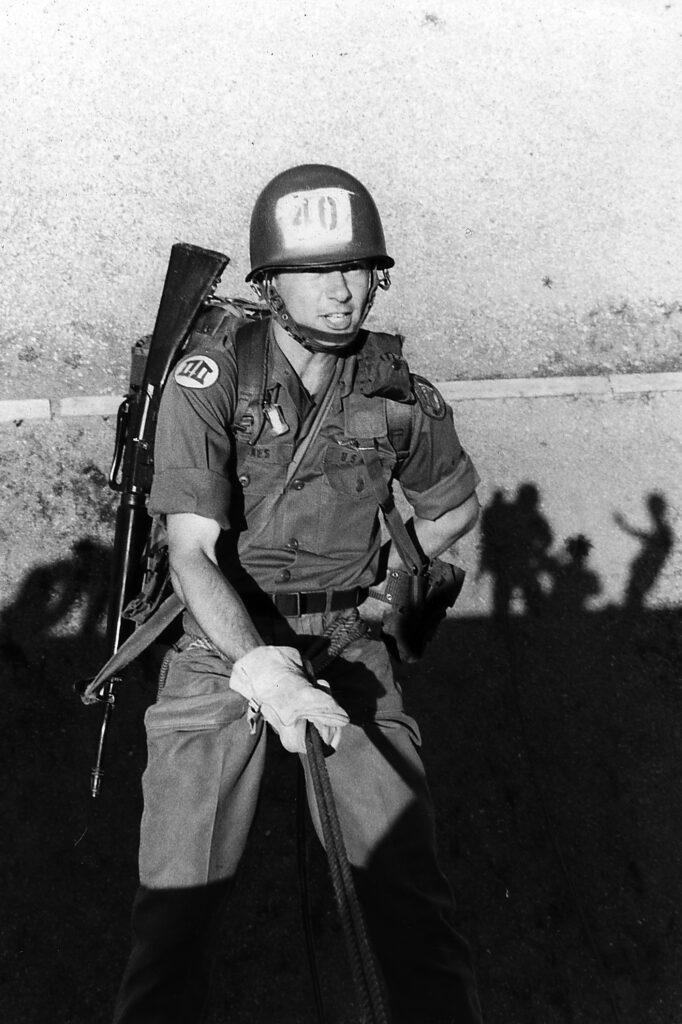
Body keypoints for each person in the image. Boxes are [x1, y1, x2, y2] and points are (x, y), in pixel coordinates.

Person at [112, 164, 483, 1024]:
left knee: (412, 909)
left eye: (358, 269)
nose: (344, 292)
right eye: (318, 272)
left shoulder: (397, 392)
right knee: (174, 919)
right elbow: (192, 554)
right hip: (220, 642)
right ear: (271, 281)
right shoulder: (211, 382)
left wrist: (390, 586)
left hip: (345, 638)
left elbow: (455, 502)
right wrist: (258, 667)